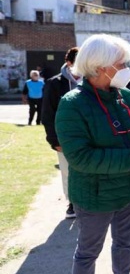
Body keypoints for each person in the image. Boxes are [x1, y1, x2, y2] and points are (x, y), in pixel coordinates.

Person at [55, 34, 130, 274]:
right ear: (100, 67)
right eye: (121, 64)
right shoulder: (72, 104)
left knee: (124, 244)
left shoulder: (127, 96)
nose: (126, 69)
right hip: (94, 196)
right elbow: (80, 157)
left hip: (129, 191)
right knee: (88, 252)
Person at [42, 46, 80, 219]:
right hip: (65, 137)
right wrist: (54, 140)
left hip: (89, 135)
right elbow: (48, 114)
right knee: (68, 170)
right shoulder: (55, 83)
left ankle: (89, 201)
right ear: (68, 62)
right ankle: (72, 202)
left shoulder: (91, 80)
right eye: (77, 63)